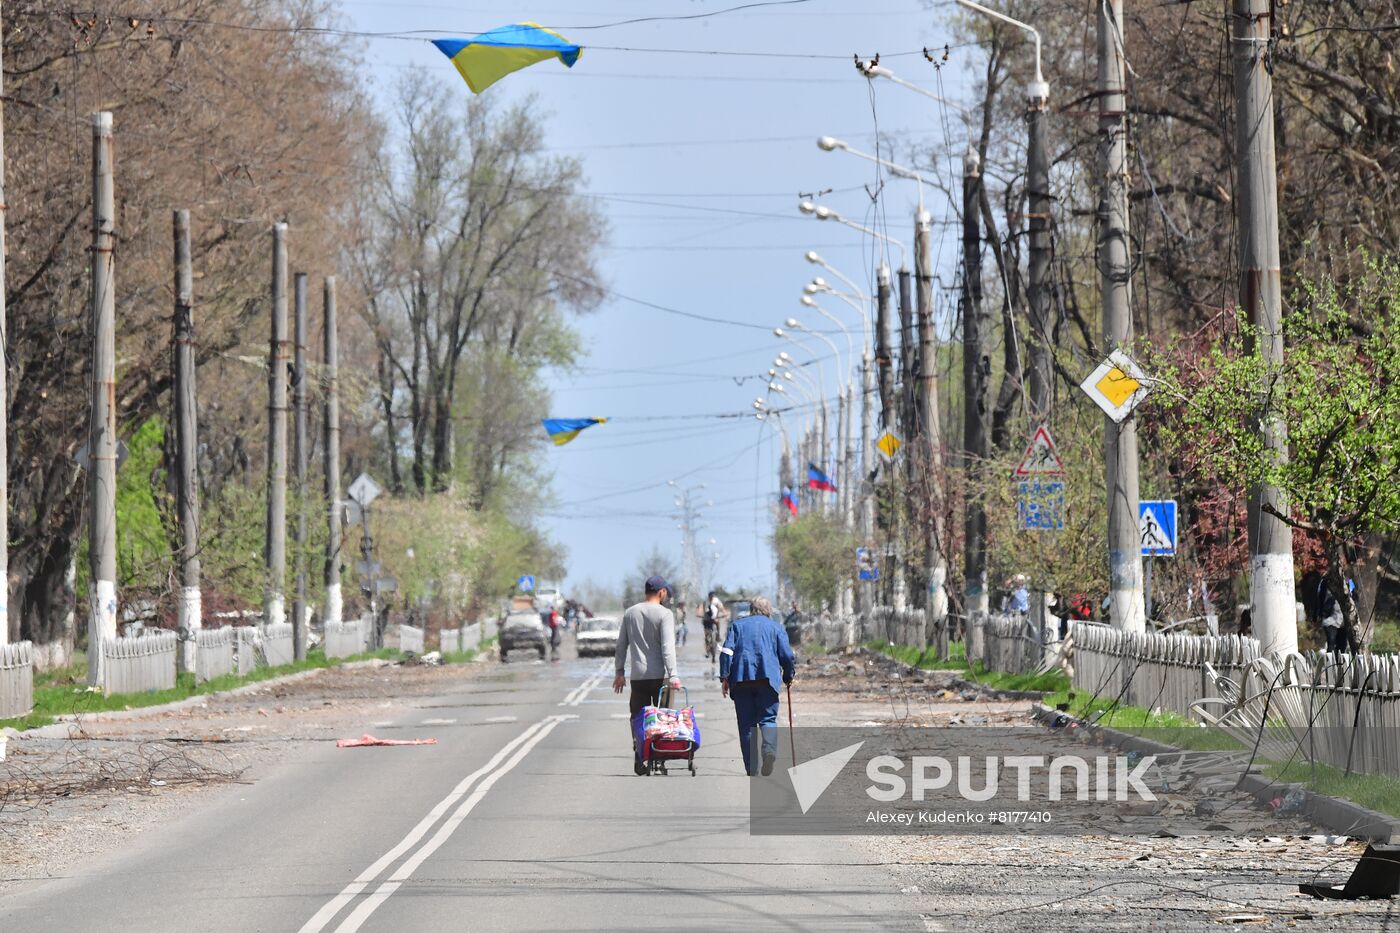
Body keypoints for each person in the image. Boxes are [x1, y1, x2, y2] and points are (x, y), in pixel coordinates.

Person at [613, 575, 682, 776]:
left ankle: (639, 753)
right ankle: (659, 760)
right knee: (663, 717)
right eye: (666, 592)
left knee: (638, 717)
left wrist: (619, 673)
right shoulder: (665, 614)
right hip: (661, 677)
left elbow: (621, 646)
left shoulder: (630, 613)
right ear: (661, 592)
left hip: (638, 677)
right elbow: (668, 648)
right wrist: (674, 674)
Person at [719, 595, 795, 777]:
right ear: (768, 611)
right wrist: (788, 675)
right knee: (768, 719)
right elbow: (787, 655)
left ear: (751, 610)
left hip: (741, 678)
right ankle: (769, 751)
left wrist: (724, 676)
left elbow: (726, 652)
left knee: (747, 725)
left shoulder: (737, 626)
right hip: (767, 679)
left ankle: (751, 768)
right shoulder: (776, 628)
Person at [702, 590, 721, 674]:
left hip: (714, 621)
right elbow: (702, 611)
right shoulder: (705, 602)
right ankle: (707, 650)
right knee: (707, 638)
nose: (711, 598)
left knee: (717, 628)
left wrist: (723, 614)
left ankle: (718, 635)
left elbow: (722, 608)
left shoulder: (716, 602)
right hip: (707, 622)